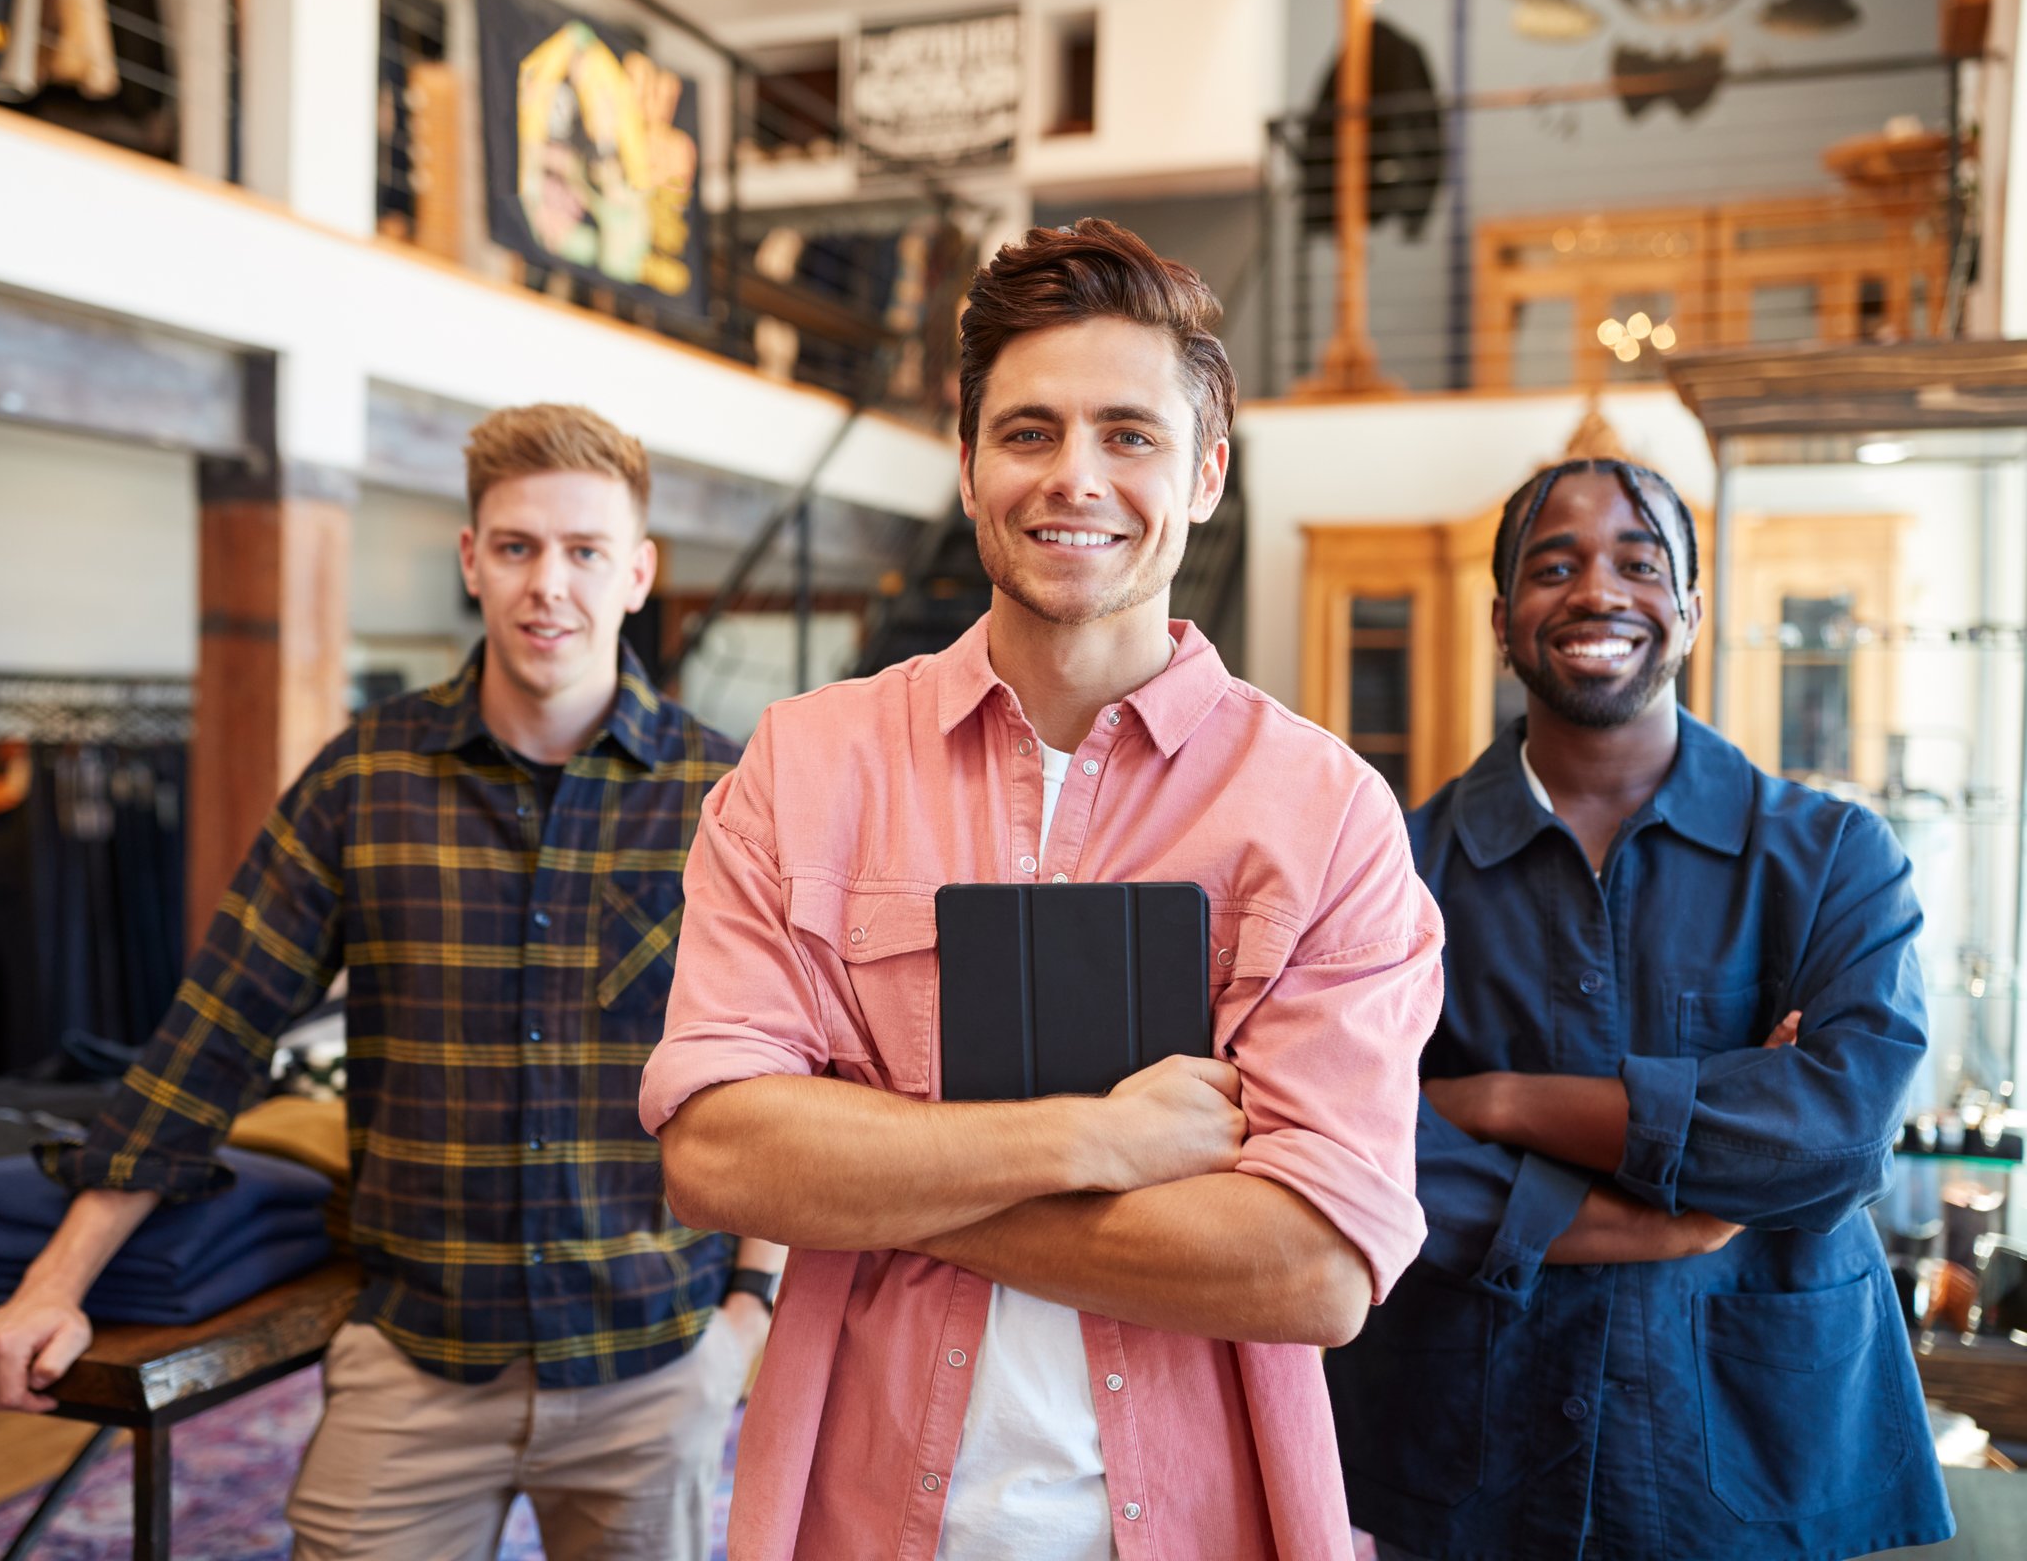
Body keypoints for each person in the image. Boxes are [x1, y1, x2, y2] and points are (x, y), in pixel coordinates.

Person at [640, 219, 1444, 1561]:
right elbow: (721, 1153)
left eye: (1130, 434)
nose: (1075, 477)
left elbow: (1313, 1270)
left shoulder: (1327, 816)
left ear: (1205, 475)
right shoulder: (807, 763)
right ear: (965, 467)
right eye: (1027, 432)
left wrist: (881, 1168)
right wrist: (1100, 1141)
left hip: (1196, 1526)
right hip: (859, 1514)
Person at [0, 403, 783, 1561]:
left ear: (638, 572)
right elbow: (212, 1035)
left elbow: (786, 1066)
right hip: (417, 1356)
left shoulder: (727, 792)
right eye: (518, 547)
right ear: (471, 561)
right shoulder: (364, 777)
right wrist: (52, 1283)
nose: (551, 584)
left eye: (586, 551)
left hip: (650, 1360)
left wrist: (754, 1309)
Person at [1326, 458, 1955, 1559]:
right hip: (1461, 1459)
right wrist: (1681, 1190)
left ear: (1694, 611)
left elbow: (1836, 1136)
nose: (1596, 593)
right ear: (1501, 619)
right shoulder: (1388, 868)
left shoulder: (1834, 859)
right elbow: (1354, 1145)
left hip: (1757, 1456)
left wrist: (1503, 1100)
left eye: (1639, 563)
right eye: (1553, 566)